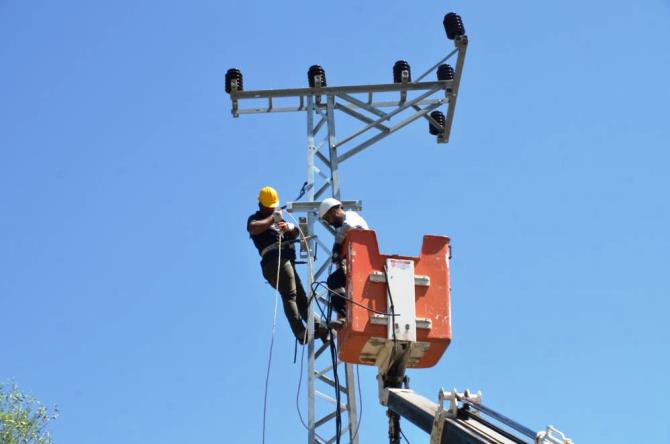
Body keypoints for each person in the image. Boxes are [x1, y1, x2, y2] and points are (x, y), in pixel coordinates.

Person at [248, 186, 330, 344]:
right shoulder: (256, 219)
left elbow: (296, 234)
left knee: (300, 297)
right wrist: (273, 218)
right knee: (290, 295)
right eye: (269, 208)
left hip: (284, 261)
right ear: (261, 205)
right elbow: (254, 229)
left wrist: (291, 229)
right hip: (275, 261)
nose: (272, 210)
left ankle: (319, 328)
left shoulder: (277, 219)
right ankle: (300, 331)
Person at [318, 197, 369, 330]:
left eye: (328, 219)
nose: (329, 223)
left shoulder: (351, 216)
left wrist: (337, 244)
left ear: (334, 211)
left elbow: (350, 226)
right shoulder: (343, 230)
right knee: (335, 280)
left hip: (363, 263)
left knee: (334, 280)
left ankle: (344, 316)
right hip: (356, 264)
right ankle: (344, 316)